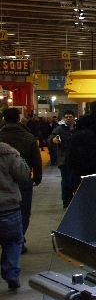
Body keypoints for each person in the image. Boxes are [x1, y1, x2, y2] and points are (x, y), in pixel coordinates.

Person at [0, 108, 42, 253]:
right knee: (24, 211)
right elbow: (36, 159)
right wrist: (37, 177)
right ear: (19, 119)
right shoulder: (29, 137)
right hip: (23, 178)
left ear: (4, 119)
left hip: (3, 180)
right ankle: (19, 240)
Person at [0, 141, 31, 290]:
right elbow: (24, 174)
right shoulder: (8, 153)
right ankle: (11, 274)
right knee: (12, 242)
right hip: (9, 208)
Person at [48, 110, 77, 209]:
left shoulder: (78, 128)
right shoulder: (59, 129)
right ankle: (67, 203)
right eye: (66, 117)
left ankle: (75, 202)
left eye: (70, 116)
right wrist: (53, 140)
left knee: (75, 182)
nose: (68, 118)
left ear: (74, 118)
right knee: (66, 183)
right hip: (64, 160)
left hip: (77, 160)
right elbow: (50, 139)